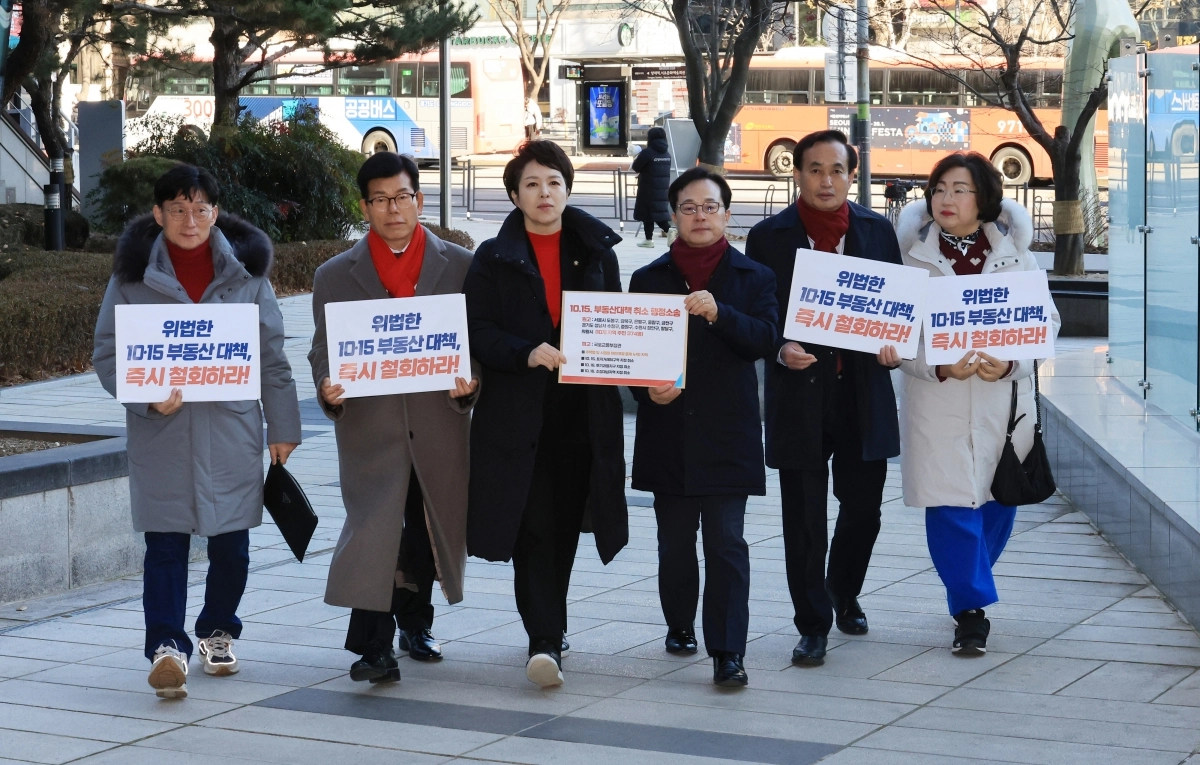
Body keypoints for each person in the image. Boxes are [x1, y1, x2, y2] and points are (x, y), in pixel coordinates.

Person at [93, 164, 301, 699]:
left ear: (217, 213)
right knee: (164, 545)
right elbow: (109, 355)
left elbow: (272, 358)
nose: (191, 220)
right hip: (162, 434)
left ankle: (217, 630)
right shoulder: (131, 280)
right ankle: (166, 645)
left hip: (231, 430)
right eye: (179, 209)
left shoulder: (247, 277)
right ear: (158, 214)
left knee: (231, 545)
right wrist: (144, 396)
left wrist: (283, 425)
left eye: (202, 208)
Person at [308, 152, 479, 683]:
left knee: (425, 529)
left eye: (402, 197)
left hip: (437, 424)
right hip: (372, 429)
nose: (393, 209)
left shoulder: (461, 266)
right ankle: (374, 646)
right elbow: (323, 349)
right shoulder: (335, 275)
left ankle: (416, 622)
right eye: (380, 200)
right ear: (365, 208)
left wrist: (470, 386)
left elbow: (475, 345)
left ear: (419, 201)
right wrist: (328, 388)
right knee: (376, 531)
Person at [464, 140, 628, 688]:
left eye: (554, 182)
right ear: (514, 195)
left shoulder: (597, 251)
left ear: (567, 189)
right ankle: (543, 640)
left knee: (564, 528)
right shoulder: (493, 258)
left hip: (582, 415)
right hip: (518, 415)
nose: (544, 193)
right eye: (531, 184)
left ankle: (550, 632)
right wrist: (525, 350)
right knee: (531, 528)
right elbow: (478, 331)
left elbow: (619, 325)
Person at [745, 130, 903, 667]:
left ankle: (843, 590)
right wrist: (778, 345)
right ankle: (811, 623)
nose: (826, 180)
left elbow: (896, 308)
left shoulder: (878, 232)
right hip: (799, 395)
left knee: (864, 510)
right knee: (805, 519)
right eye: (815, 169)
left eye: (837, 170)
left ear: (852, 175)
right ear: (797, 174)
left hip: (863, 392)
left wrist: (893, 346)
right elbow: (760, 315)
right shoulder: (769, 237)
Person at [893, 152, 1059, 656]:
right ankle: (970, 610)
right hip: (937, 403)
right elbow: (898, 338)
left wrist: (1010, 364)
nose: (946, 199)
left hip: (1001, 405)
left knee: (996, 503)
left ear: (984, 197)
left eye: (959, 189)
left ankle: (969, 588)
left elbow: (1045, 325)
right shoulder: (909, 259)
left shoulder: (1017, 257)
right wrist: (937, 366)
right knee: (949, 508)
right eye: (939, 188)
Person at [629, 167, 778, 687]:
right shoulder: (648, 278)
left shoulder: (753, 277)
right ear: (673, 216)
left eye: (709, 207)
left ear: (727, 215)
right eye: (688, 208)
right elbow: (629, 352)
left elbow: (764, 339)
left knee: (726, 544)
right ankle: (679, 624)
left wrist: (720, 314)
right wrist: (644, 389)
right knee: (674, 543)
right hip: (667, 431)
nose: (699, 216)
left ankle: (729, 652)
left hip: (727, 434)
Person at [631, 127, 672, 248]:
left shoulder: (648, 152)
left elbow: (636, 167)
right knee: (651, 214)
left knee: (651, 214)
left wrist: (635, 156)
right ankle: (648, 239)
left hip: (648, 188)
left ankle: (670, 231)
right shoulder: (666, 153)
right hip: (662, 189)